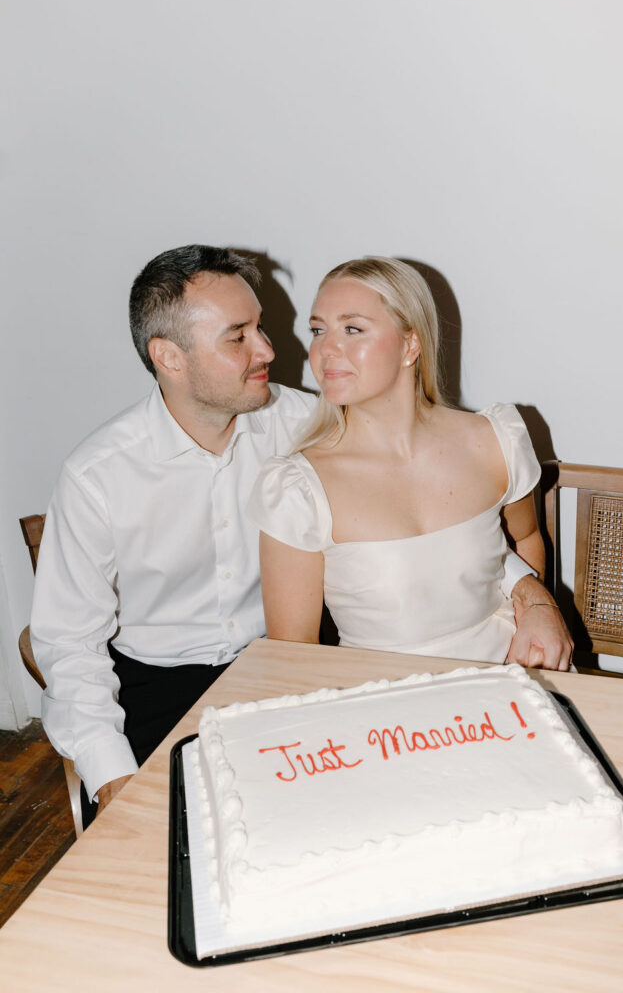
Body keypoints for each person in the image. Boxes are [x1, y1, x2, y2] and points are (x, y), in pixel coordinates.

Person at [30, 245, 315, 824]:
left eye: (259, 327)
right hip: (152, 691)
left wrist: (522, 588)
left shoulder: (304, 423)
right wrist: (112, 773)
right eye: (238, 336)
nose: (268, 351)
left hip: (284, 667)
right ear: (169, 357)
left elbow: (411, 501)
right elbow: (69, 643)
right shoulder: (98, 474)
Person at [248, 256, 574, 668]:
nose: (325, 349)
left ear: (410, 345)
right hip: (385, 708)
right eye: (318, 330)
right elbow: (294, 659)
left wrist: (537, 612)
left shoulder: (495, 438)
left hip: (510, 679)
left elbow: (524, 541)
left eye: (352, 329)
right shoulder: (297, 489)